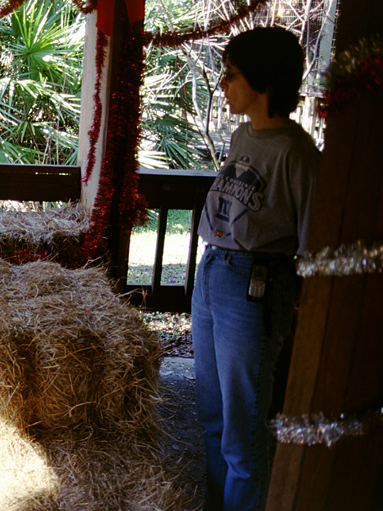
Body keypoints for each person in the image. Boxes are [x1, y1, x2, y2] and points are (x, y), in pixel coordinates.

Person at [191, 27, 321, 511]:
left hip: (256, 284)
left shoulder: (298, 154)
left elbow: (312, 242)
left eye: (231, 74)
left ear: (263, 80)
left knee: (242, 433)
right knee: (212, 417)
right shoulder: (243, 134)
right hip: (212, 273)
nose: (222, 84)